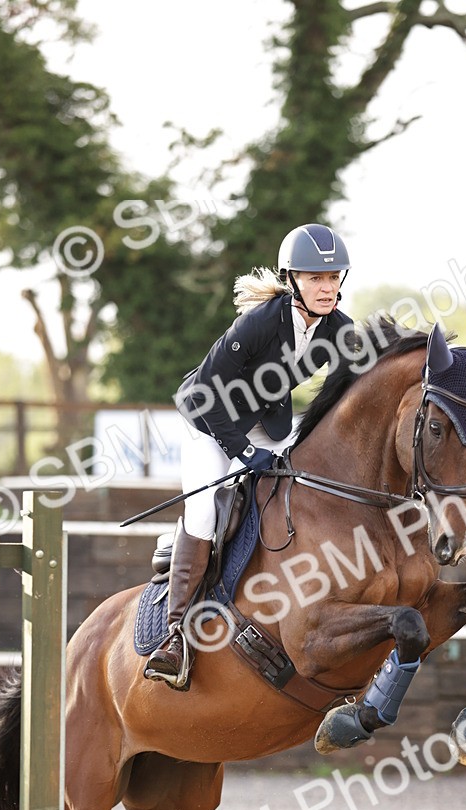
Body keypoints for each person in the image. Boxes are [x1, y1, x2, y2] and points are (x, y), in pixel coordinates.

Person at [144, 223, 353, 689]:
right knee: (202, 510)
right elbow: (202, 396)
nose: (328, 287)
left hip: (270, 424)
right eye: (317, 278)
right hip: (210, 422)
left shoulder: (338, 329)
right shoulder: (258, 323)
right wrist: (243, 451)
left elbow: (365, 378)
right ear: (294, 280)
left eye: (335, 277)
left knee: (301, 493)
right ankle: (176, 634)